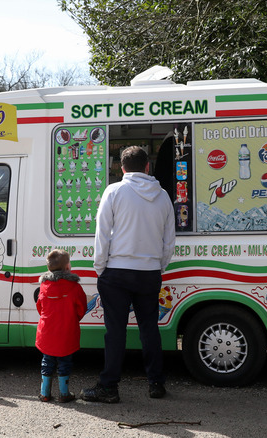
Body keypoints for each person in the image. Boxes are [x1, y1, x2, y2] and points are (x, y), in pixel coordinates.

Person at [81, 146, 176, 403]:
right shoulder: (163, 196)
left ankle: (109, 387)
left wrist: (100, 268)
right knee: (149, 328)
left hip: (117, 273)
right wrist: (159, 266)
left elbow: (102, 234)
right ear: (148, 166)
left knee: (115, 331)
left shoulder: (114, 191)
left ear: (122, 168)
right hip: (149, 273)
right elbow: (169, 241)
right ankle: (156, 383)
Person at [35, 249, 88, 402]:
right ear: (67, 268)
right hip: (67, 332)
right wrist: (72, 319)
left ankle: (45, 393)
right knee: (65, 362)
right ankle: (64, 394)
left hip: (47, 333)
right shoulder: (75, 287)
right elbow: (81, 308)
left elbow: (40, 307)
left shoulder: (44, 287)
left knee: (47, 361)